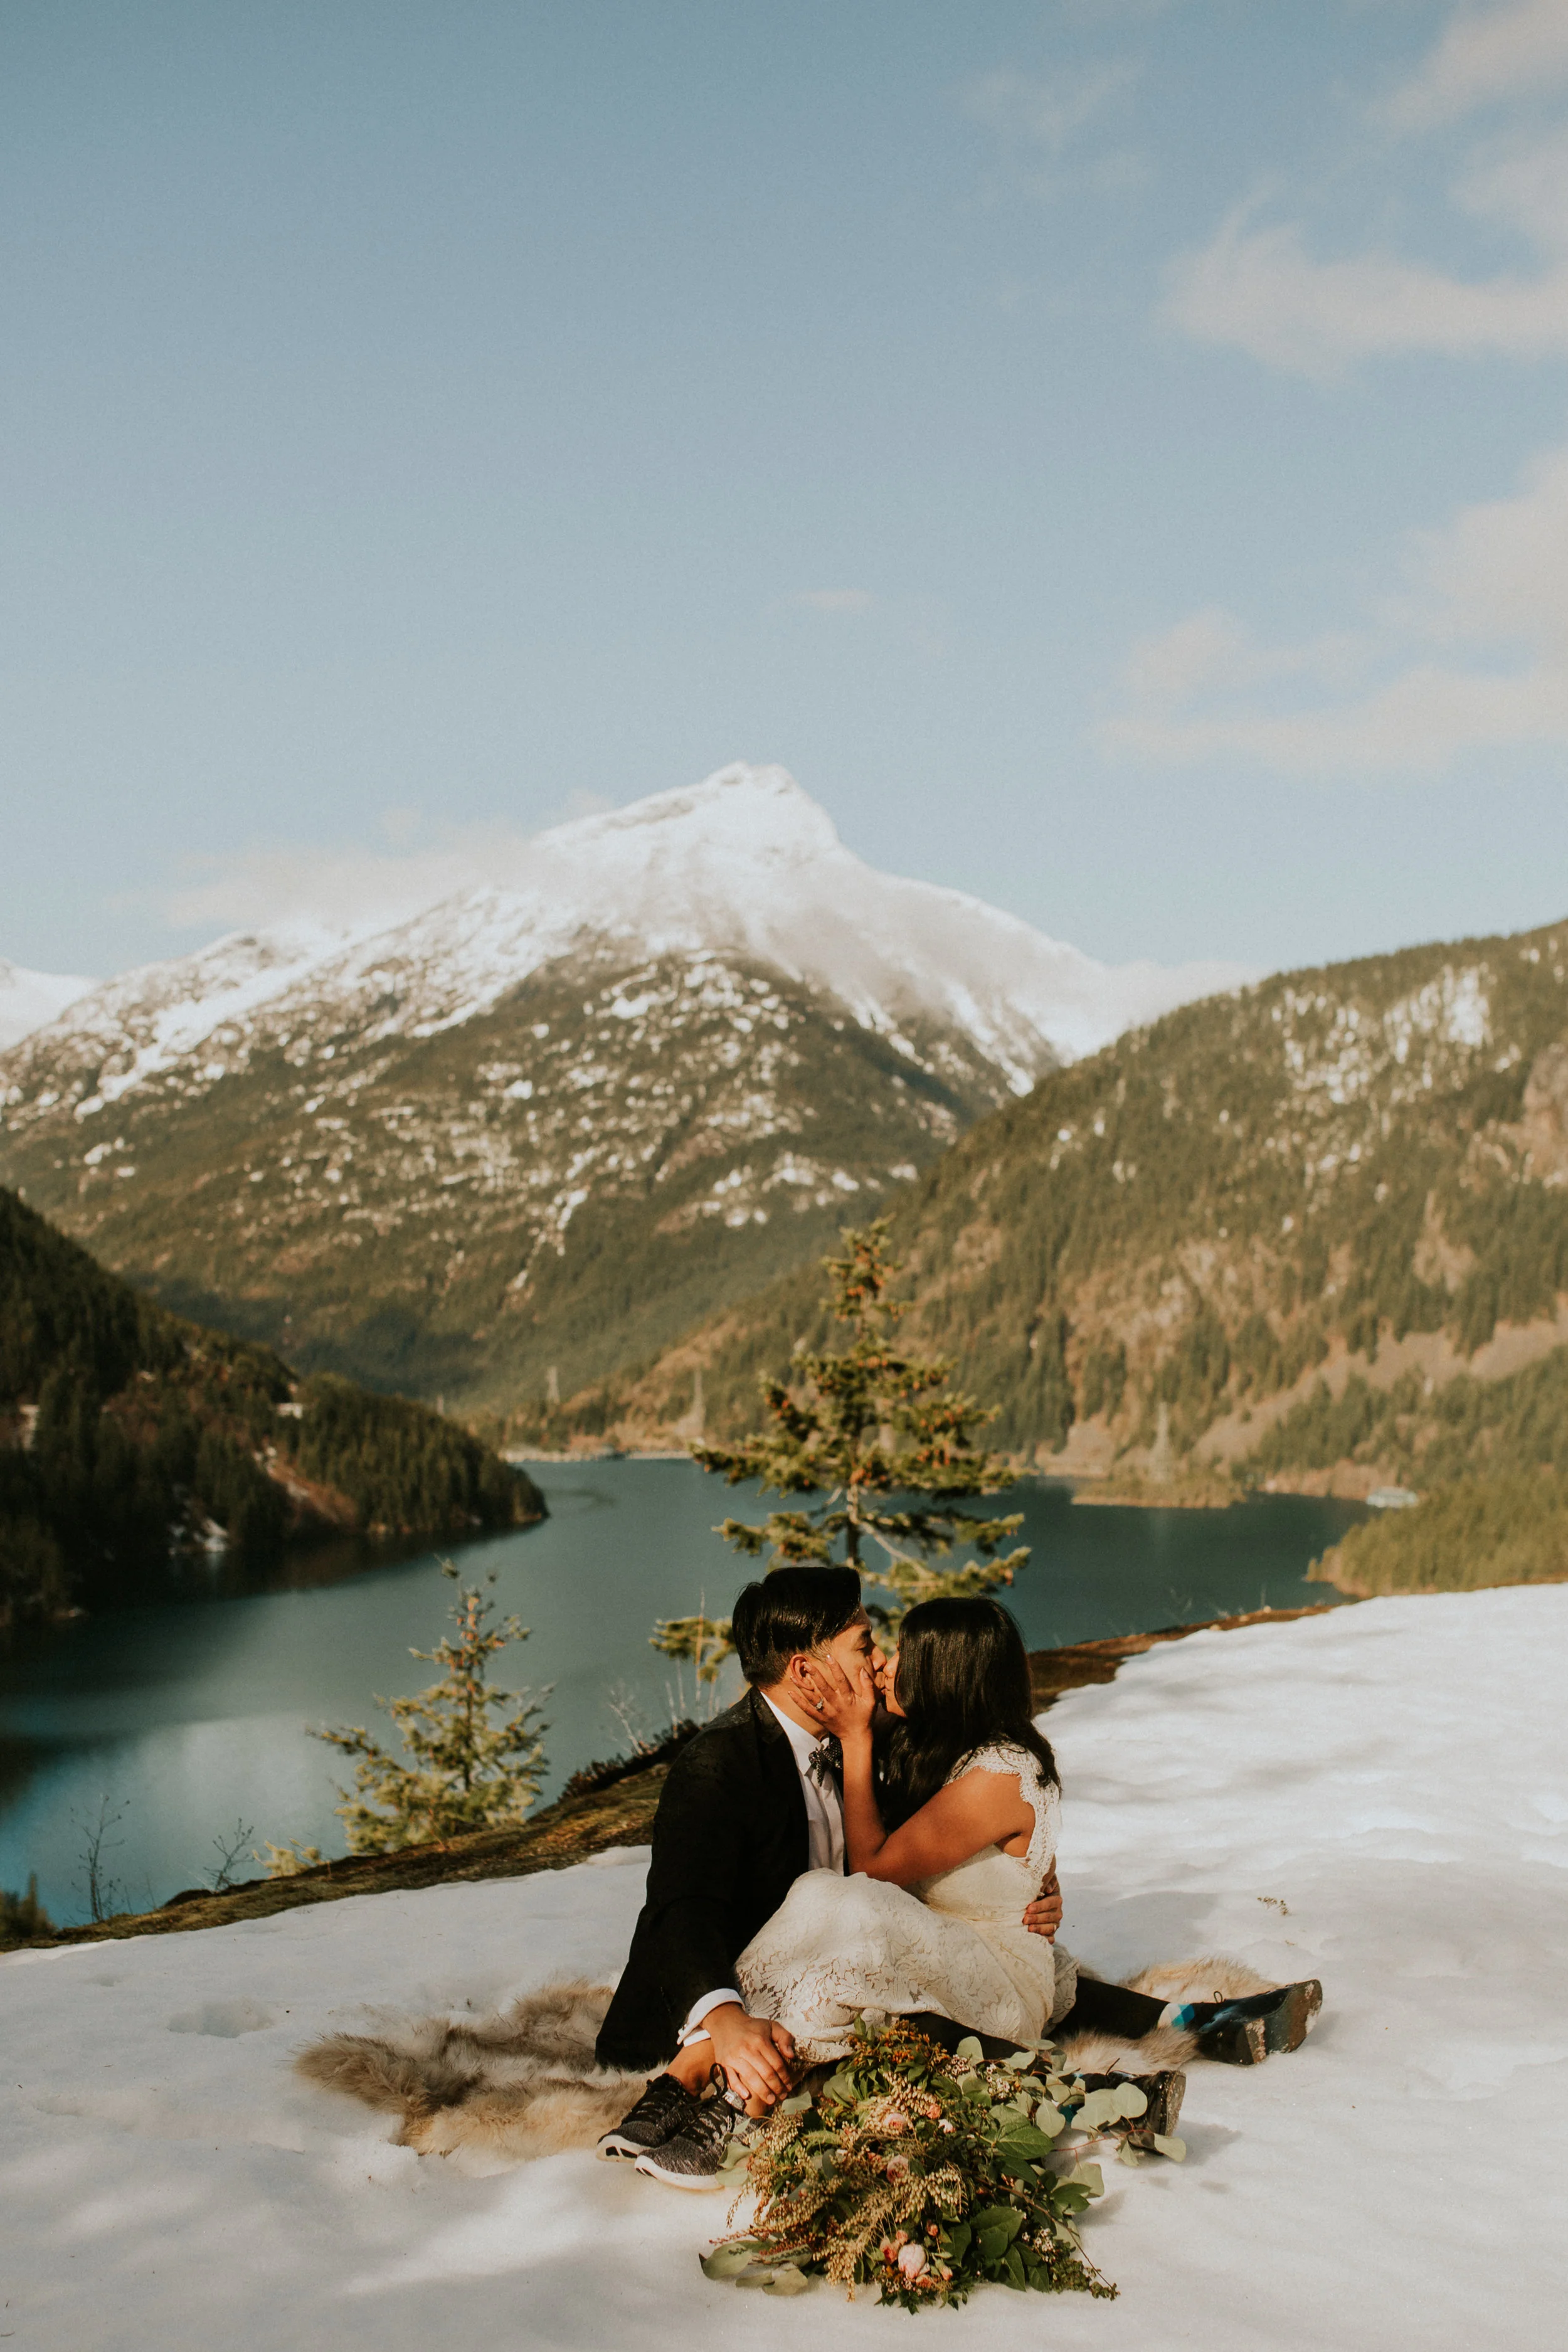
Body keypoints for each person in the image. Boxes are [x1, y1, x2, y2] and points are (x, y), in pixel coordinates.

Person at [594, 1568, 1061, 2188]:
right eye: (865, 1646)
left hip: (859, 1973)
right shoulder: (718, 1764)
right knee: (832, 1898)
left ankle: (738, 2109)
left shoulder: (871, 1733)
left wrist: (1031, 1881)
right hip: (722, 2002)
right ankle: (686, 2077)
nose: (880, 1663)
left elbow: (975, 1820)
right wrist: (725, 2021)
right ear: (805, 1672)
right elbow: (682, 1910)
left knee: (843, 1899)